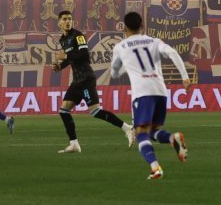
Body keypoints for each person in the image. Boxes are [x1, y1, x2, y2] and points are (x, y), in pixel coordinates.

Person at [110, 11, 192, 180]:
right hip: (160, 92)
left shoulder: (120, 47)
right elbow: (173, 53)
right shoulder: (154, 41)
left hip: (142, 93)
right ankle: (172, 138)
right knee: (153, 131)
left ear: (124, 28)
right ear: (142, 26)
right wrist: (184, 77)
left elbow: (114, 74)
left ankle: (155, 168)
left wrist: (125, 67)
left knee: (140, 134)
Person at [52, 10, 133, 153]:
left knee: (95, 112)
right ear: (59, 22)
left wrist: (65, 55)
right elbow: (71, 59)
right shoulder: (62, 40)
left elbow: (84, 55)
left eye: (70, 19)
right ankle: (74, 144)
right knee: (64, 111)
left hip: (86, 79)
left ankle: (127, 128)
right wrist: (60, 66)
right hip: (77, 81)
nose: (68, 21)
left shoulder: (78, 36)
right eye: (64, 19)